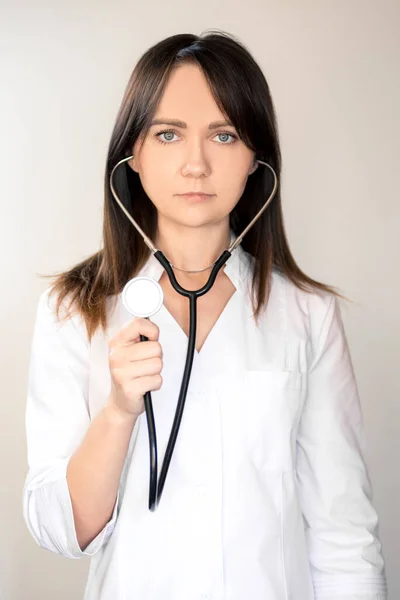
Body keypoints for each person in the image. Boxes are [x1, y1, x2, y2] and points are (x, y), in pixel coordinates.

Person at [23, 30, 388, 600]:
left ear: (254, 159)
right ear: (134, 156)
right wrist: (119, 410)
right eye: (168, 134)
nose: (196, 164)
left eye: (223, 135)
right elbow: (62, 530)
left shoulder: (307, 314)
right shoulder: (75, 309)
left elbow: (344, 534)